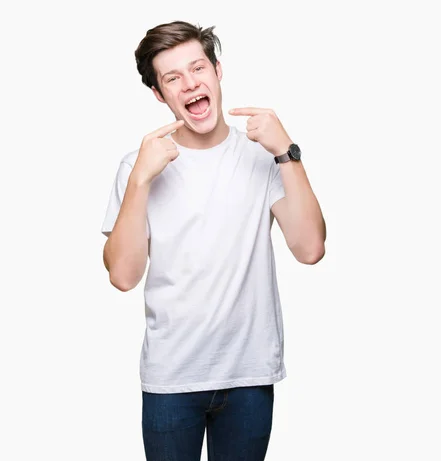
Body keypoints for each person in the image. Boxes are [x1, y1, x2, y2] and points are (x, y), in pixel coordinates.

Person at [100, 20, 326, 461]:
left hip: (249, 375)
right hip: (171, 380)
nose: (189, 84)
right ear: (159, 95)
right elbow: (123, 277)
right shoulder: (137, 166)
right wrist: (141, 181)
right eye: (172, 78)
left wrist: (287, 152)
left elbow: (311, 249)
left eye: (197, 68)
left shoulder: (264, 158)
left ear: (217, 71)